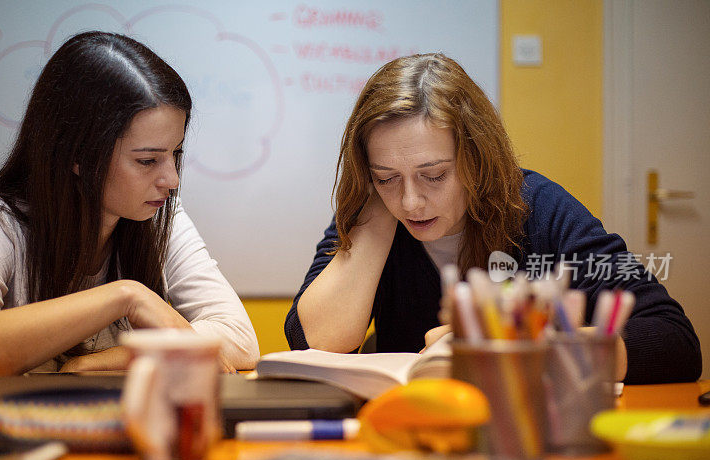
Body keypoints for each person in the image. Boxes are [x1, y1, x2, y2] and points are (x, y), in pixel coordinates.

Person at [285, 53, 701, 384]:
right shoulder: (374, 211)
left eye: (434, 175)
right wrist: (375, 214)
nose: (411, 202)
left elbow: (675, 340)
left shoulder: (538, 208)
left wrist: (522, 346)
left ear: (476, 159)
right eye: (387, 177)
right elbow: (314, 341)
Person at [0, 31, 259, 390]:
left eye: (176, 154)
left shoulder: (161, 216)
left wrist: (112, 360)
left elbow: (239, 338)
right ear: (78, 155)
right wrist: (126, 297)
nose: (172, 179)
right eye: (148, 160)